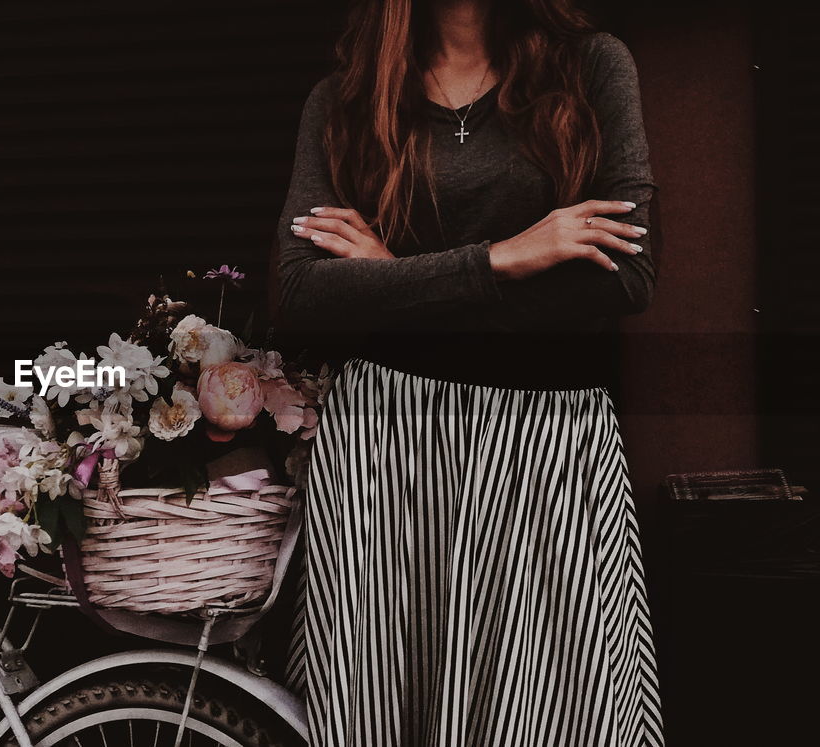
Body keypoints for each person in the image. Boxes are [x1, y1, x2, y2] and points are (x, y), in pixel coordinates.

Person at [274, 0, 665, 745]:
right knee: (384, 696)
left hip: (545, 443)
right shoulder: (346, 100)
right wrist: (505, 257)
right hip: (388, 447)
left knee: (549, 705)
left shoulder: (591, 67)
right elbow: (300, 291)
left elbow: (626, 275)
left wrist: (396, 281)